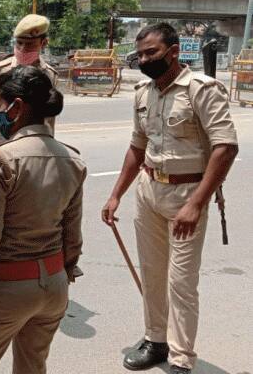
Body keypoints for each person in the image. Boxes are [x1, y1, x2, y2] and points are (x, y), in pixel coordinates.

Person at [101, 23, 238, 374]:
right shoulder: (144, 92)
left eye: (152, 53)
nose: (144, 60)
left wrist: (196, 203)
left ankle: (181, 359)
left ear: (174, 52)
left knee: (181, 283)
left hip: (187, 194)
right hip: (149, 191)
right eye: (141, 54)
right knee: (152, 274)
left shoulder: (201, 90)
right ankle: (155, 340)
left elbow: (225, 147)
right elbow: (137, 146)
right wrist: (116, 194)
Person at [0, 66, 86, 374]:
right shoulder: (72, 160)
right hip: (54, 286)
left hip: (8, 287)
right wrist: (63, 276)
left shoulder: (2, 159)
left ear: (18, 107)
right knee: (32, 367)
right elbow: (72, 236)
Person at [0, 14, 58, 188]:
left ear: (43, 43)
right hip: (2, 157)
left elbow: (49, 123)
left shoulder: (49, 76)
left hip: (34, 159)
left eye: (30, 44)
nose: (23, 49)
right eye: (19, 43)